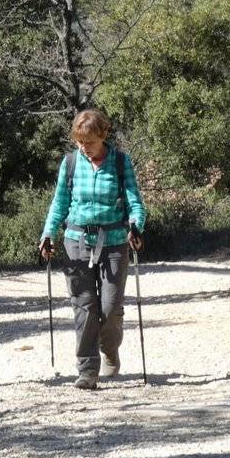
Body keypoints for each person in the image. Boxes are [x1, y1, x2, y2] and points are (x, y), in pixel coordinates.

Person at [39, 109, 146, 390]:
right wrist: (48, 233)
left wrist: (136, 226)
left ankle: (110, 350)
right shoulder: (71, 163)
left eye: (89, 142)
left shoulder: (121, 162)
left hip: (113, 243)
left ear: (103, 135)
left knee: (110, 308)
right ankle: (87, 370)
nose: (83, 148)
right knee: (84, 307)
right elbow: (59, 202)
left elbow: (135, 202)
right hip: (76, 243)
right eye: (79, 142)